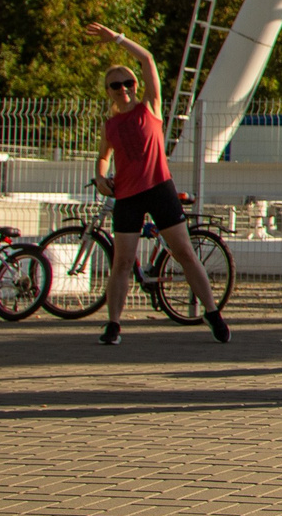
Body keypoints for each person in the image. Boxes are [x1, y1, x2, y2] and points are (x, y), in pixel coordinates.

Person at [84, 23, 227, 346]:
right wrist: (99, 175)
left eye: (127, 83)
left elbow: (148, 60)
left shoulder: (150, 107)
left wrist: (117, 39)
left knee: (185, 253)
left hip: (159, 187)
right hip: (128, 195)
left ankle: (212, 312)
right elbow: (103, 157)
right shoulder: (112, 124)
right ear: (108, 92)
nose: (123, 89)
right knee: (121, 262)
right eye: (115, 86)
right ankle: (114, 324)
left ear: (135, 85)